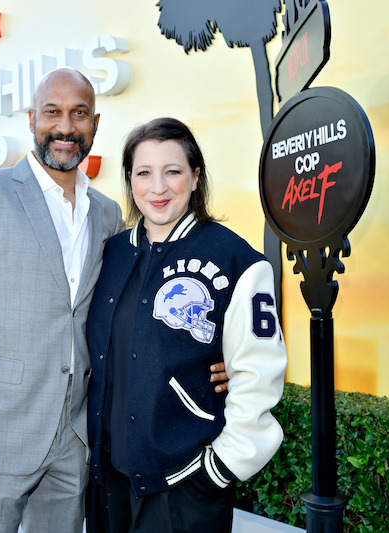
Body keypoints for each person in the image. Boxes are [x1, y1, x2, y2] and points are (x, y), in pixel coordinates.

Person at [0, 67, 125, 532]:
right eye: (52, 112)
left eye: (79, 114)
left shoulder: (108, 214)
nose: (65, 127)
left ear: (95, 122)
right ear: (32, 118)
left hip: (74, 442)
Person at [86, 117, 288, 533]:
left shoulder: (237, 261)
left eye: (172, 171)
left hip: (184, 488)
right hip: (109, 485)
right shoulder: (111, 254)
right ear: (129, 180)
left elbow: (259, 374)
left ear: (196, 177)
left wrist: (220, 468)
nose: (157, 187)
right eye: (144, 173)